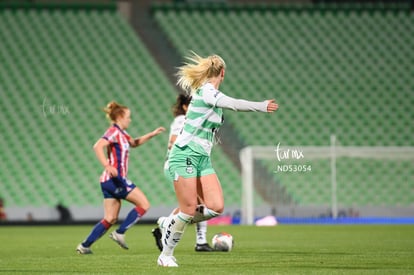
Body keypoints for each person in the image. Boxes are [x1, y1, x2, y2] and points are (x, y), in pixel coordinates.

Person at [157, 52, 278, 267]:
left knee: (215, 207)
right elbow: (232, 103)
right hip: (185, 154)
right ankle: (166, 255)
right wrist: (261, 105)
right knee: (187, 209)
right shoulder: (206, 91)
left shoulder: (205, 93)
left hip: (202, 158)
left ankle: (169, 222)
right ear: (222, 73)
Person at [76, 101, 165, 254]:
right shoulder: (113, 131)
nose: (130, 120)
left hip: (107, 182)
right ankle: (120, 233)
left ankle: (84, 246)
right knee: (144, 204)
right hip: (114, 179)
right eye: (128, 117)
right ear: (119, 117)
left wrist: (151, 134)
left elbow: (134, 143)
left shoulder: (123, 134)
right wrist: (107, 165)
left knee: (110, 218)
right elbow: (98, 146)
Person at [152, 94, 214, 252]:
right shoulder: (182, 120)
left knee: (197, 205)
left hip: (190, 164)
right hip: (180, 165)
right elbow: (173, 141)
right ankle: (170, 226)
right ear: (186, 107)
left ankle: (167, 225)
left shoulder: (194, 122)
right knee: (195, 205)